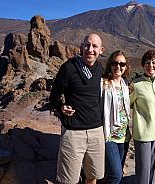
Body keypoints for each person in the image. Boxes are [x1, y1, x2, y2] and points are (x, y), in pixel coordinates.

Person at [49, 33, 105, 184]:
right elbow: (53, 96)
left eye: (94, 46)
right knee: (68, 181)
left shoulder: (100, 69)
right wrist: (61, 107)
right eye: (87, 45)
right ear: (81, 47)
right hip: (73, 133)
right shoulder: (69, 68)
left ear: (101, 50)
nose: (90, 49)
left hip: (96, 131)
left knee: (93, 176)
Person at [130, 50, 155, 184]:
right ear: (143, 65)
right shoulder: (136, 85)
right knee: (143, 171)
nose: (151, 65)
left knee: (153, 169)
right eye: (147, 62)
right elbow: (126, 105)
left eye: (154, 62)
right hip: (143, 134)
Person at [101, 50, 131, 184]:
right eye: (115, 63)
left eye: (122, 64)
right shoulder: (103, 84)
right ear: (109, 64)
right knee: (116, 175)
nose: (118, 67)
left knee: (113, 174)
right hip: (109, 135)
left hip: (124, 136)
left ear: (126, 67)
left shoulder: (125, 85)